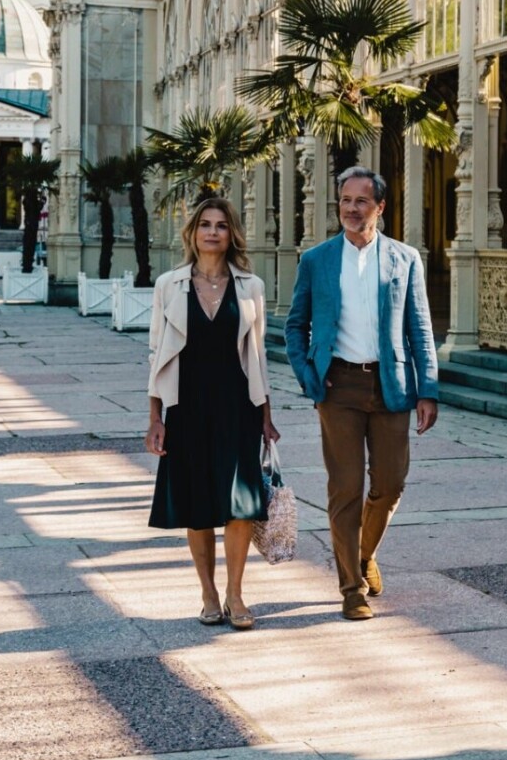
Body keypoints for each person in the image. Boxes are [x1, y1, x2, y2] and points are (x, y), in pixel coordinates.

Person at [285, 166, 439, 621]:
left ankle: (365, 553)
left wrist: (427, 389)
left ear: (380, 208)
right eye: (345, 201)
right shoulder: (316, 259)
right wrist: (308, 373)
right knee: (346, 488)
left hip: (391, 384)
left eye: (361, 202)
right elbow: (296, 325)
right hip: (339, 387)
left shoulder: (405, 258)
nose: (352, 209)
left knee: (390, 484)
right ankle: (351, 587)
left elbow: (420, 327)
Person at [144, 196, 280, 630]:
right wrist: (155, 417)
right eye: (205, 224)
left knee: (239, 503)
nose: (213, 232)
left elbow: (258, 357)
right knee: (198, 504)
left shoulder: (250, 286)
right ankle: (208, 592)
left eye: (221, 225)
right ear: (193, 232)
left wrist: (266, 415)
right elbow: (156, 354)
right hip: (185, 406)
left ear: (231, 233)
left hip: (237, 405)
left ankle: (236, 593)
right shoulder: (170, 284)